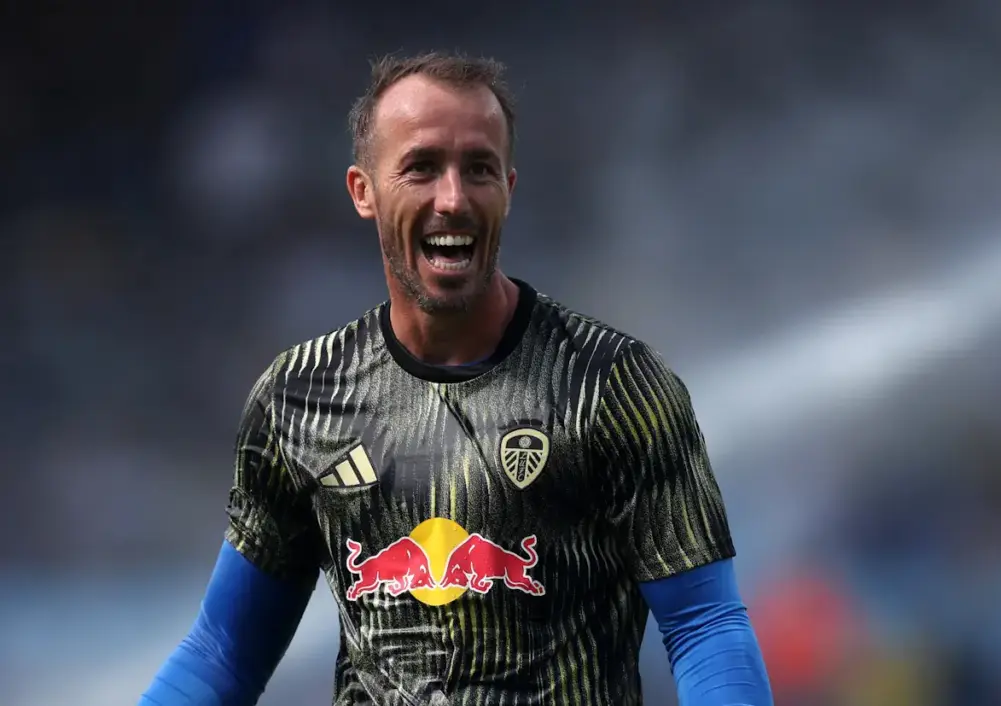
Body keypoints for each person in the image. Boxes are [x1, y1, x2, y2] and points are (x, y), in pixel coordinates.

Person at [139, 51, 774, 706]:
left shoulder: (614, 385)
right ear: (364, 190)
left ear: (509, 188)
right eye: (421, 167)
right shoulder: (301, 396)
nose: (452, 199)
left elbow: (705, 626)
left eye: (479, 169)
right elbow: (224, 650)